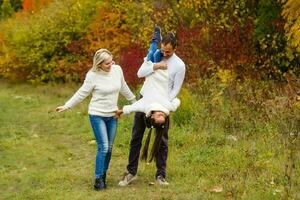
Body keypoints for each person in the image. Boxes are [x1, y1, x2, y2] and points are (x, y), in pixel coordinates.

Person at [56, 49, 136, 191]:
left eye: (111, 61)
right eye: (107, 64)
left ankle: (103, 174)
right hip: (97, 114)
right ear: (99, 64)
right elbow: (82, 93)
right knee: (103, 147)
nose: (111, 65)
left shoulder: (117, 70)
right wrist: (67, 105)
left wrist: (134, 102)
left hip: (112, 115)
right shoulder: (92, 75)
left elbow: (123, 87)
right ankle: (98, 179)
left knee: (110, 148)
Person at [118, 27, 186, 186]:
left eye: (168, 52)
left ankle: (160, 175)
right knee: (136, 136)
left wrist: (164, 103)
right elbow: (141, 73)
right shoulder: (153, 56)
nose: (165, 54)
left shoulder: (179, 65)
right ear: (161, 45)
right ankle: (131, 172)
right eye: (163, 50)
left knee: (162, 140)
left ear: (175, 49)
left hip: (163, 105)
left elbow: (176, 88)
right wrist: (155, 66)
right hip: (145, 99)